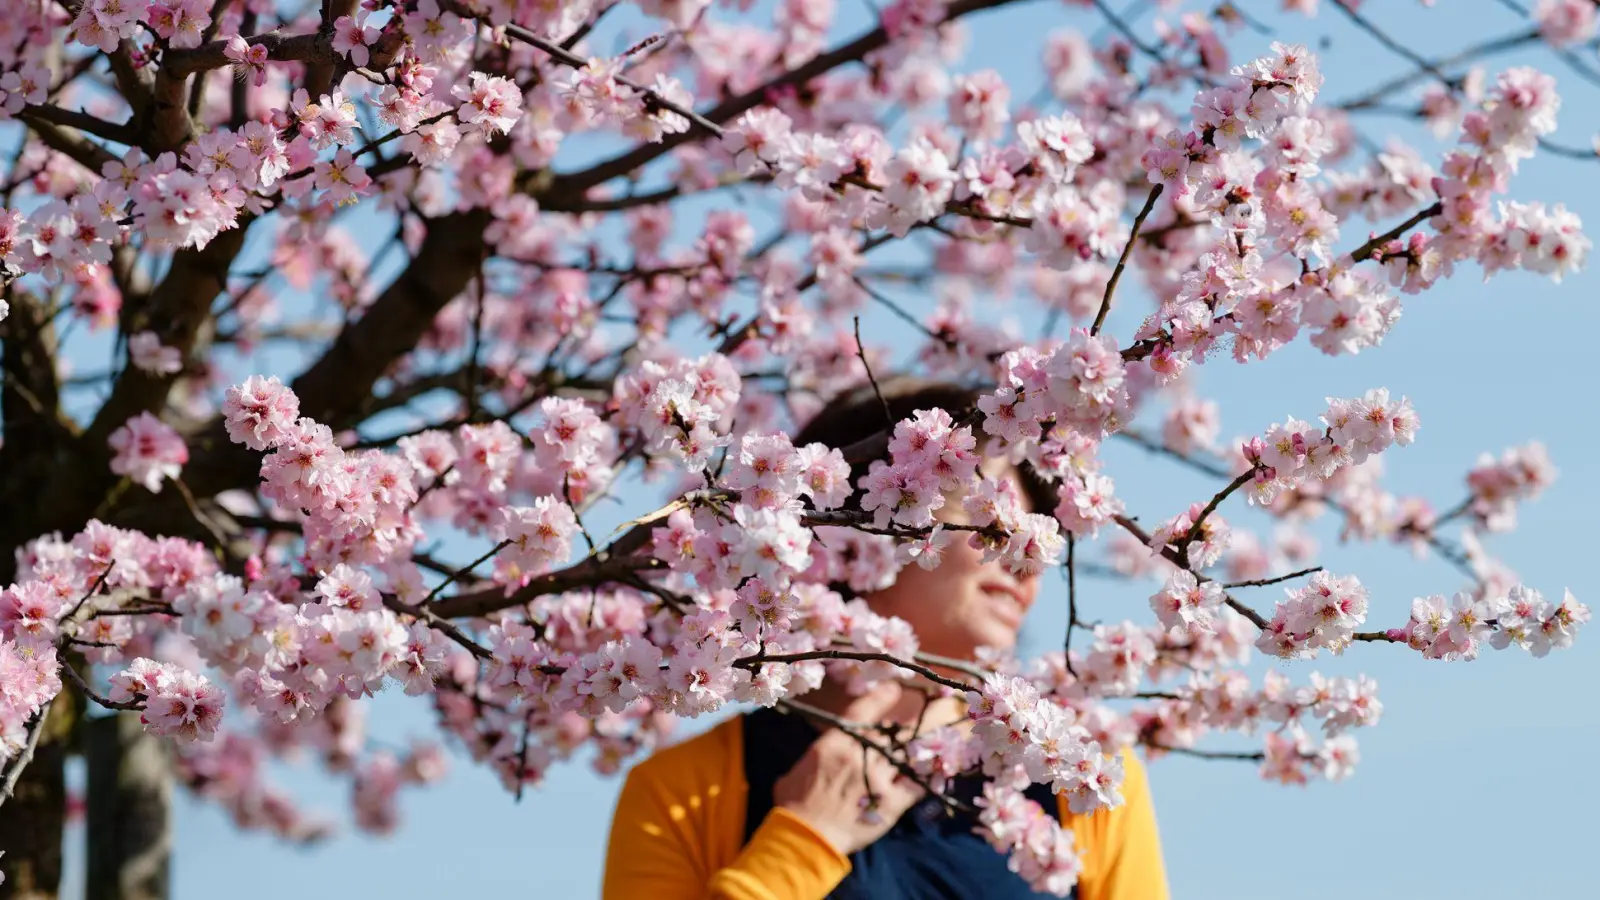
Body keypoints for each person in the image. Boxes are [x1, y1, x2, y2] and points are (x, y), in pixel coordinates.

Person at [601, 378, 1170, 900]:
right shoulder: (683, 795)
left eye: (1029, 540)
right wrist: (804, 841)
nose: (1023, 564)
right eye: (990, 523)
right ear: (851, 524)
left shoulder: (1076, 776)